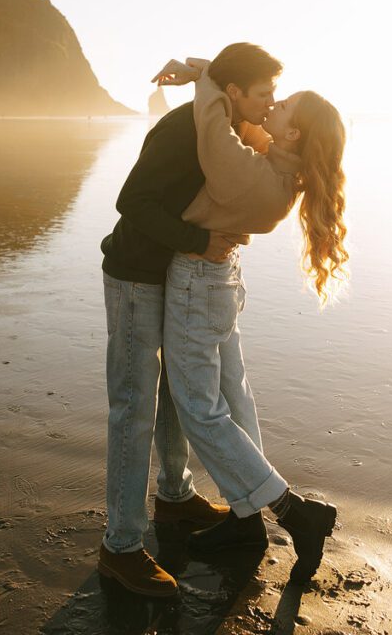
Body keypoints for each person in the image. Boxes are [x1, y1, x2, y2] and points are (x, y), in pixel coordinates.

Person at [153, 57, 348, 584]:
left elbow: (212, 126)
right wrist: (210, 71)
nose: (271, 106)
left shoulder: (251, 173)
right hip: (220, 283)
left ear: (294, 131)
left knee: (199, 409)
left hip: (198, 281)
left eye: (281, 106)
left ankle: (291, 512)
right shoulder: (280, 166)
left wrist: (210, 78)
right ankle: (246, 519)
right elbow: (244, 126)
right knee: (234, 399)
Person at [98, 43, 283, 597]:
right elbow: (131, 201)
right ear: (234, 93)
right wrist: (200, 241)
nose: (272, 103)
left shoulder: (220, 125)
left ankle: (174, 499)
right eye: (265, 93)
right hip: (136, 275)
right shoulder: (185, 128)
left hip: (172, 275)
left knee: (180, 394)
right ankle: (121, 548)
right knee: (134, 407)